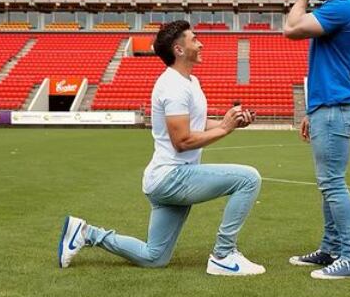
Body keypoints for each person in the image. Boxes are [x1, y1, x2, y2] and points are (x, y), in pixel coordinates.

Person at [58, 20, 265, 276]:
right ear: (178, 49)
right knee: (248, 179)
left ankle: (87, 233)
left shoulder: (190, 82)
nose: (200, 43)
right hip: (172, 177)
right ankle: (224, 255)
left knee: (154, 257)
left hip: (166, 179)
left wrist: (229, 122)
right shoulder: (173, 86)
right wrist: (224, 129)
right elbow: (183, 141)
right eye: (194, 39)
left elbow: (196, 125)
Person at [283, 0, 350, 279]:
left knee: (332, 183)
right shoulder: (337, 8)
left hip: (335, 108)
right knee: (328, 183)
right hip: (326, 106)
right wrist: (311, 110)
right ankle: (332, 247)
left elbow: (289, 29)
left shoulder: (342, 7)